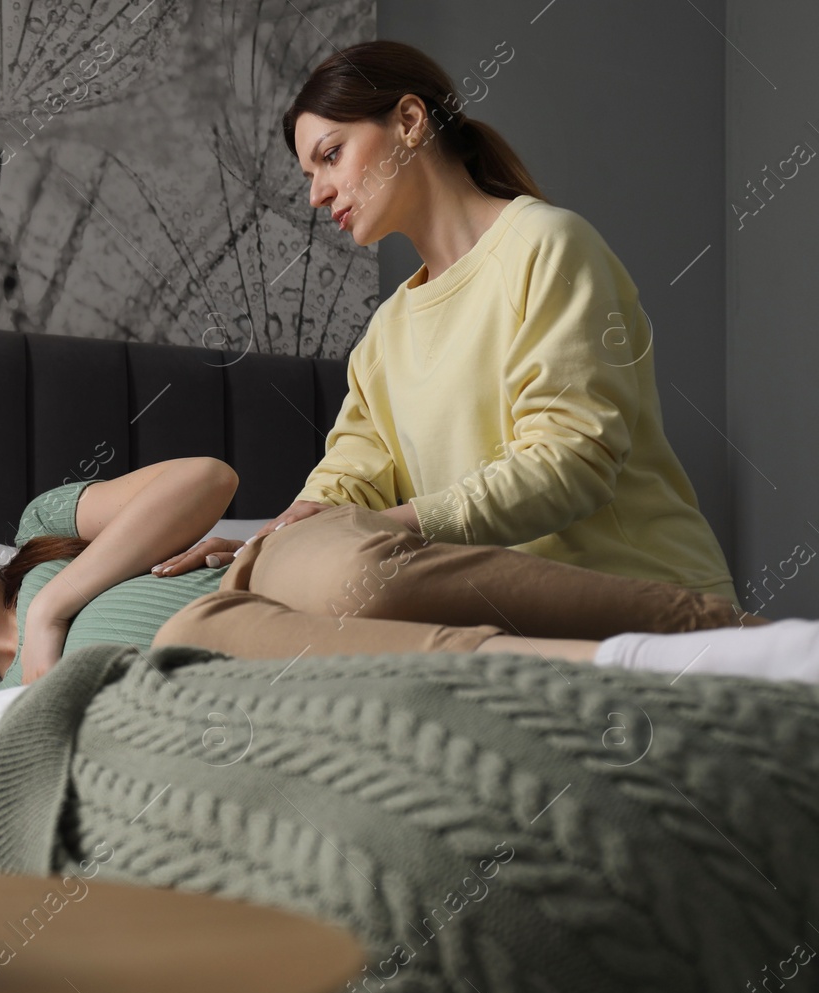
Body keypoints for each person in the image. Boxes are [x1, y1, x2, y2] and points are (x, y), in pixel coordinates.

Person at [159, 41, 740, 611]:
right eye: (310, 173)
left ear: (410, 121)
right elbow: (343, 486)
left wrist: (381, 531)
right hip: (517, 616)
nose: (316, 194)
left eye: (330, 155)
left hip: (651, 602)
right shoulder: (385, 334)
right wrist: (265, 549)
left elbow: (572, 463)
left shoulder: (548, 246)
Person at [0, 458, 805, 692]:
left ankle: (742, 632)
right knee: (198, 635)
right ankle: (634, 668)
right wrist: (38, 658)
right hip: (224, 644)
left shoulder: (44, 527)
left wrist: (52, 602)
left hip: (266, 557)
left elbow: (206, 481)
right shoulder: (4, 700)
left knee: (360, 575)